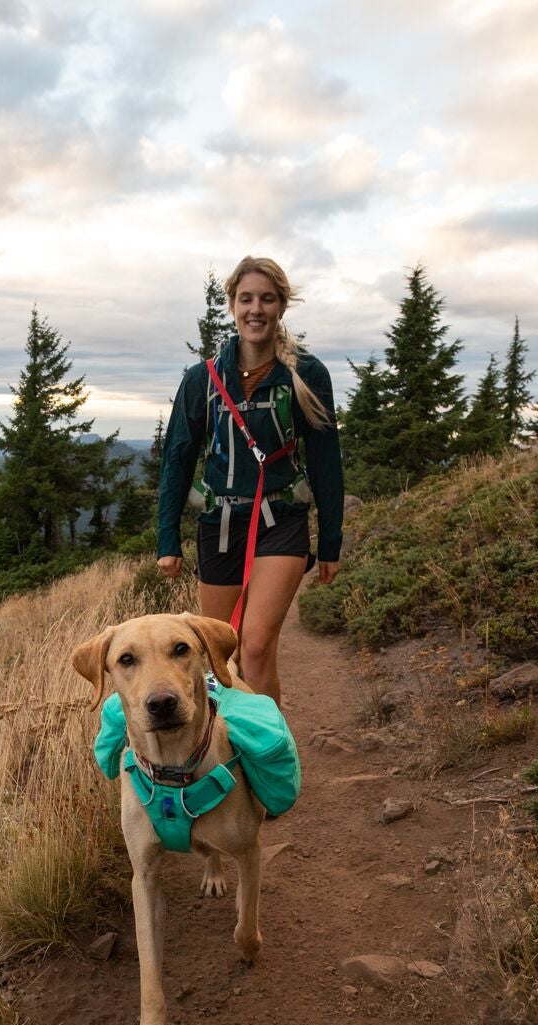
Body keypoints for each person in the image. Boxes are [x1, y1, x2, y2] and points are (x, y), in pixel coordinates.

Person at [155, 256, 344, 708]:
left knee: (256, 647)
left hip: (283, 521)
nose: (255, 309)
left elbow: (325, 462)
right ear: (232, 306)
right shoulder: (203, 379)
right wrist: (166, 539)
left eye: (267, 299)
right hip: (219, 526)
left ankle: (269, 767)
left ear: (281, 306)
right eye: (246, 299)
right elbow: (178, 458)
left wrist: (331, 543)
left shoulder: (306, 373)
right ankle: (229, 757)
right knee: (220, 657)